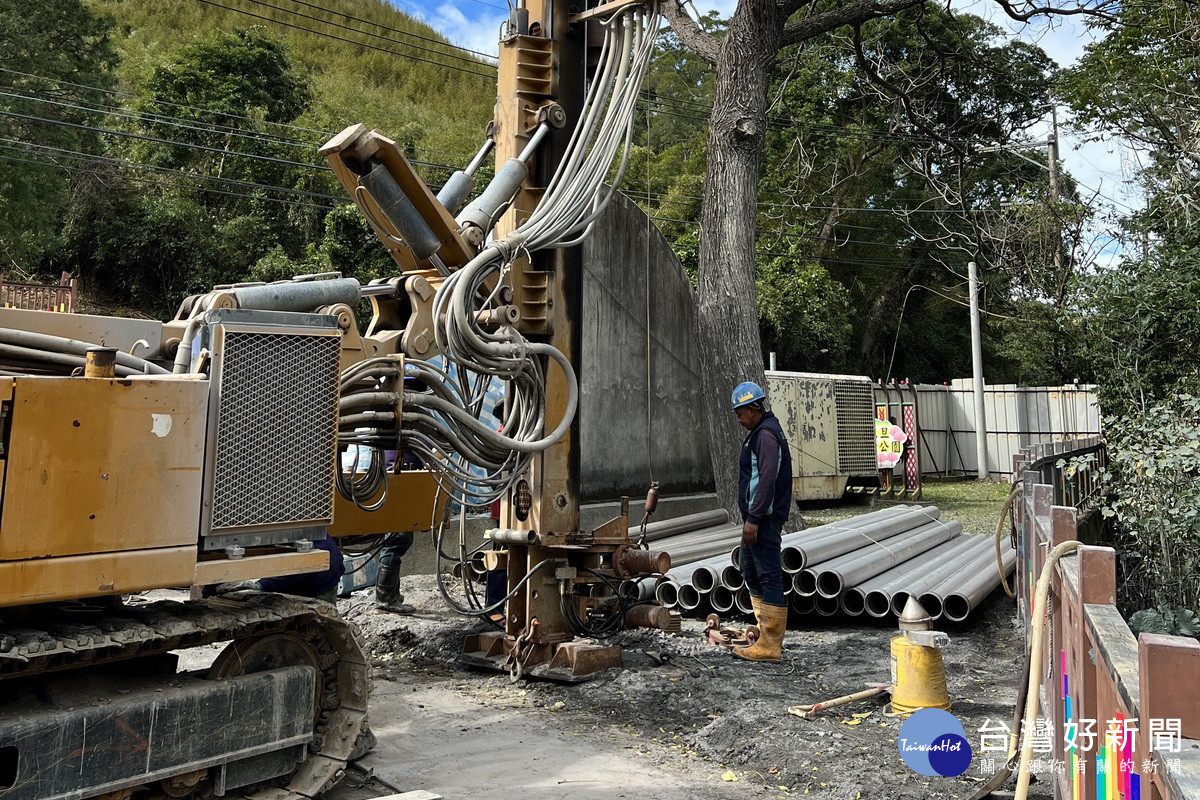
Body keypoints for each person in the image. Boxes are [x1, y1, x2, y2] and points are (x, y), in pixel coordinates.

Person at [730, 380, 793, 662]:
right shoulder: (759, 432)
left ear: (754, 408)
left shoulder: (765, 435)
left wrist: (754, 518)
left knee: (768, 574)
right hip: (756, 515)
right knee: (748, 569)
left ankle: (770, 645)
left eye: (740, 412)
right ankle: (763, 629)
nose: (738, 418)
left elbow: (766, 478)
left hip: (763, 518)